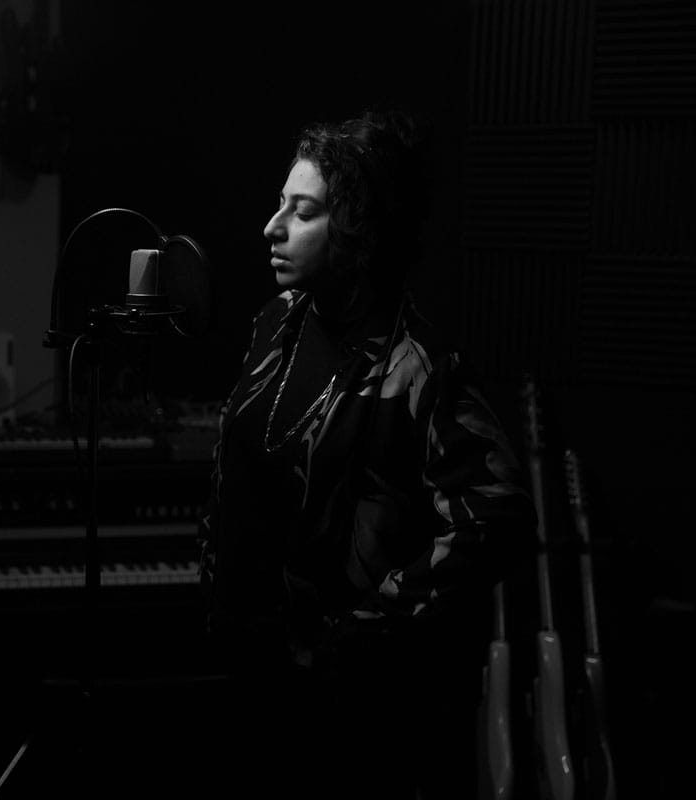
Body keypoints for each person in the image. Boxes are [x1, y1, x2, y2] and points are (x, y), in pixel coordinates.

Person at [195, 109, 536, 798]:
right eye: (279, 204)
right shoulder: (274, 325)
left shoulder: (417, 368)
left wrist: (361, 633)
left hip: (346, 715)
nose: (272, 226)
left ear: (356, 231)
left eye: (303, 210)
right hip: (247, 679)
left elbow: (495, 510)